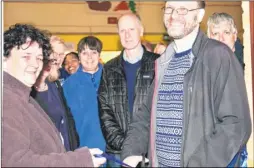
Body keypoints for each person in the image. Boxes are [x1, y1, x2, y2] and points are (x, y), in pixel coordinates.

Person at [121, 1, 251, 167]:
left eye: (183, 9)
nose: (174, 15)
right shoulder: (163, 63)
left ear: (200, 15)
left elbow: (235, 124)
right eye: (169, 9)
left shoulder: (218, 56)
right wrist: (131, 152)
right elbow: (144, 116)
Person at [3, 23, 106, 167]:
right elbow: (16, 162)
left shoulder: (27, 96)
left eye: (39, 57)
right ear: (4, 60)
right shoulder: (6, 101)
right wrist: (78, 160)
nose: (34, 64)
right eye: (26, 56)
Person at [98, 13, 159, 167]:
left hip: (150, 150)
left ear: (141, 31)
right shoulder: (109, 68)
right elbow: (104, 110)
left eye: (131, 29)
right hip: (117, 152)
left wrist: (142, 144)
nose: (127, 35)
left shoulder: (158, 63)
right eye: (122, 30)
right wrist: (125, 145)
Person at [31, 47, 79, 151]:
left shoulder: (56, 85)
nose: (58, 63)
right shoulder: (29, 90)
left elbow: (66, 117)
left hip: (66, 146)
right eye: (53, 61)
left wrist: (73, 145)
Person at [63, 36, 106, 153]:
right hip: (84, 150)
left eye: (94, 52)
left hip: (113, 151)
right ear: (79, 56)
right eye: (84, 53)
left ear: (99, 55)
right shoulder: (68, 85)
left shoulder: (112, 78)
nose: (89, 57)